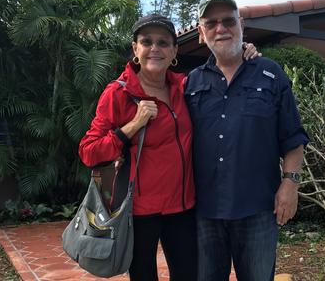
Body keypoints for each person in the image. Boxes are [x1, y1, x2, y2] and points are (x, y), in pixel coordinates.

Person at [78, 14, 260, 281]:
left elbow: (222, 77)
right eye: (147, 41)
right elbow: (89, 151)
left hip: (182, 208)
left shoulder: (185, 86)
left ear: (174, 51)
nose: (155, 48)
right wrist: (132, 126)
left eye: (163, 43)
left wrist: (241, 52)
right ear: (135, 49)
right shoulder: (118, 94)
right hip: (139, 212)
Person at [185, 0, 309, 281]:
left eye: (228, 21)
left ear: (241, 25)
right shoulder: (191, 83)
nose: (221, 28)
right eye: (211, 23)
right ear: (201, 33)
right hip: (204, 211)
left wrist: (290, 184)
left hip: (258, 210)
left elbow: (293, 137)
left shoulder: (271, 74)